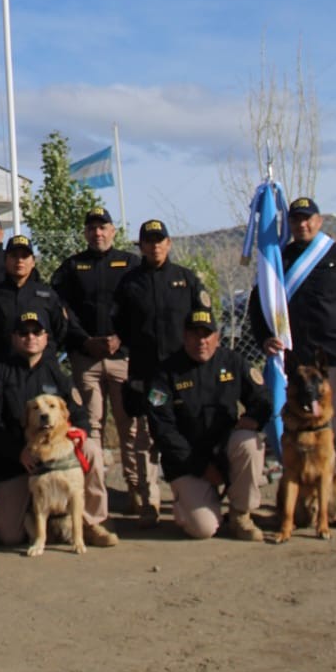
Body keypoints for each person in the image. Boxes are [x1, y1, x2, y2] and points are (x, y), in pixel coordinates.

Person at [250, 196, 336, 512]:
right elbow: (259, 305)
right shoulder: (279, 261)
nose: (302, 224)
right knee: (303, 422)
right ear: (289, 225)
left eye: (308, 218)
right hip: (300, 359)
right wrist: (265, 337)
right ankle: (310, 488)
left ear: (319, 221)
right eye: (296, 220)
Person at [0, 313, 118, 550]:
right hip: (16, 463)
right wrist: (18, 452)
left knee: (92, 449)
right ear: (14, 338)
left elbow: (79, 414)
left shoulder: (56, 373)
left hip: (56, 455)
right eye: (23, 333)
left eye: (36, 332)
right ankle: (35, 521)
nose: (30, 337)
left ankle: (91, 522)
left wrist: (74, 437)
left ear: (45, 338)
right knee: (9, 536)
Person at [112, 220, 210, 528]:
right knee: (145, 440)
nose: (155, 245)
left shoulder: (186, 279)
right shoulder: (129, 283)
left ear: (169, 243)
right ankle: (149, 501)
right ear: (139, 246)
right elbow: (121, 328)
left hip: (182, 373)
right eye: (148, 240)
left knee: (188, 433)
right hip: (146, 373)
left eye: (160, 239)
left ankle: (186, 496)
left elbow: (205, 322)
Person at [145, 308, 272, 540]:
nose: (201, 341)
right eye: (194, 335)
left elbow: (262, 397)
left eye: (207, 335)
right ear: (184, 337)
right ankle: (190, 503)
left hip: (225, 450)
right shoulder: (165, 373)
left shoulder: (232, 361)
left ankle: (240, 515)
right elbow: (163, 430)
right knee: (202, 529)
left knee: (249, 443)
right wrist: (202, 467)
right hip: (187, 460)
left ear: (217, 337)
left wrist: (254, 417)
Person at [51, 207, 141, 509]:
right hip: (86, 357)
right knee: (91, 426)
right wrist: (83, 340)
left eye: (103, 227)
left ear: (113, 231)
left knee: (130, 426)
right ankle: (95, 494)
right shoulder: (73, 267)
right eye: (92, 228)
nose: (98, 233)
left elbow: (138, 309)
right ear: (85, 233)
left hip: (122, 357)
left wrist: (121, 338)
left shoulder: (131, 264)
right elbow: (60, 308)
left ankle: (136, 490)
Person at [0, 233, 77, 372]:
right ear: (5, 260)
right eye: (14, 256)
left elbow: (60, 331)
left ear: (33, 262)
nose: (19, 261)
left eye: (24, 256)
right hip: (2, 370)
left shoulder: (47, 295)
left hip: (42, 369)